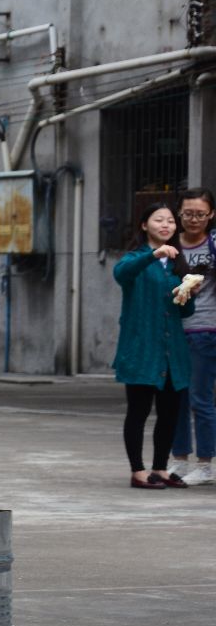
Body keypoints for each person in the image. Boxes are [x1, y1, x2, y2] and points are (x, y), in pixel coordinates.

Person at [113, 201, 195, 488]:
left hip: (172, 352)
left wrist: (188, 294)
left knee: (170, 412)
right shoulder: (136, 258)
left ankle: (160, 468)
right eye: (159, 219)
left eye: (170, 221)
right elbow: (121, 274)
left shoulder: (177, 264)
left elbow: (184, 312)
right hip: (141, 349)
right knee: (139, 410)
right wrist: (153, 254)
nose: (166, 225)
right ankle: (138, 470)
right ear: (144, 225)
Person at [169, 189, 216, 485]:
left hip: (206, 329)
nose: (194, 219)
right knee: (176, 400)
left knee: (201, 399)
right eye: (188, 214)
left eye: (200, 214)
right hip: (175, 333)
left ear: (211, 215)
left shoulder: (214, 244)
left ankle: (206, 464)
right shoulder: (169, 246)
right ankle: (180, 460)